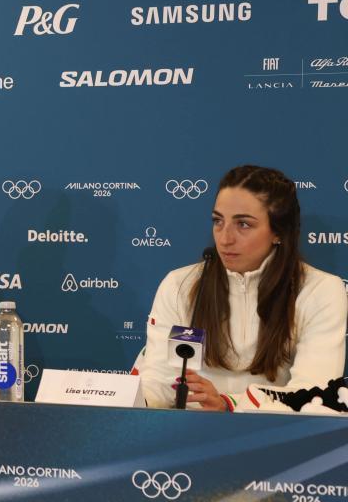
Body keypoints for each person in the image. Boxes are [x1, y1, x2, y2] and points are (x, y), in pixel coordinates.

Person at [138, 165, 347, 411]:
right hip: (188, 439)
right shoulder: (179, 285)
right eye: (218, 221)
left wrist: (229, 405)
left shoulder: (321, 290)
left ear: (279, 232)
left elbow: (314, 395)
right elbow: (160, 384)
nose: (225, 238)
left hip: (278, 442)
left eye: (243, 225)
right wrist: (119, 397)